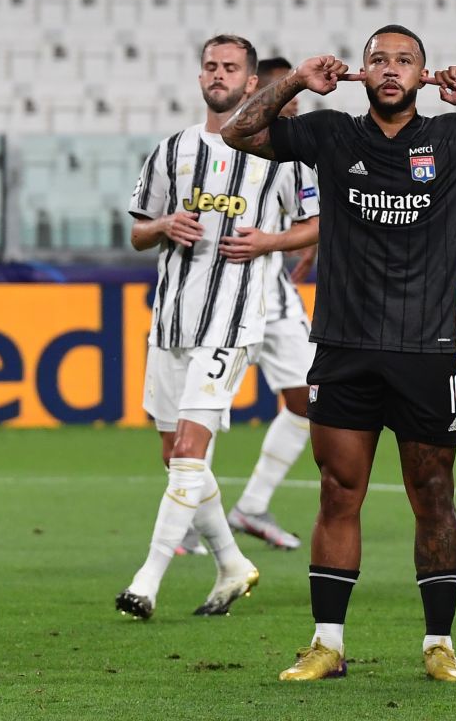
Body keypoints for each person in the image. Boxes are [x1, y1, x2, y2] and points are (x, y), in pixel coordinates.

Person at [222, 24, 456, 681]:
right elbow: (238, 133)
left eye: (404, 61)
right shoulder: (328, 135)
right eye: (377, 59)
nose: (390, 69)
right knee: (336, 492)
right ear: (360, 71)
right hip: (344, 349)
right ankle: (327, 644)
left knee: (433, 494)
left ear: (425, 76)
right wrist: (297, 80)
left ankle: (439, 644)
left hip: (425, 352)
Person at [116, 34, 318, 620]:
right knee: (175, 456)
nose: (218, 74)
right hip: (171, 320)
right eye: (210, 65)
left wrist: (269, 241)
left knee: (188, 450)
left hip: (232, 323)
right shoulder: (170, 150)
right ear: (200, 76)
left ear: (252, 83)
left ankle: (147, 581)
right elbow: (137, 230)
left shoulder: (279, 155)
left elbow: (316, 223)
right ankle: (231, 562)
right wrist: (165, 226)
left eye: (231, 67)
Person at [225, 56, 322, 551]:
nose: (293, 106)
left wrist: (297, 246)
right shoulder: (216, 147)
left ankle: (251, 506)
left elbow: (309, 214)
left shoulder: (295, 152)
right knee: (191, 416)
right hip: (215, 298)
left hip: (271, 297)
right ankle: (184, 522)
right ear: (254, 92)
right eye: (285, 94)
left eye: (297, 97)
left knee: (309, 400)